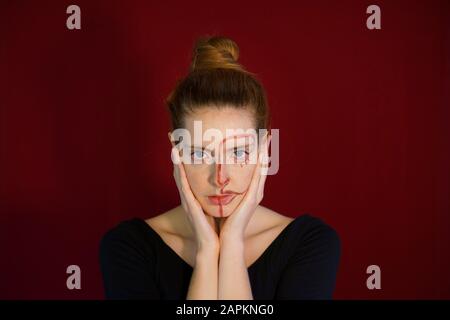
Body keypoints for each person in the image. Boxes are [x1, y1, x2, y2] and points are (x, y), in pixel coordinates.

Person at [99, 35, 341, 300]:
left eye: (238, 152)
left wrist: (232, 244)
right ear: (177, 152)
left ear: (264, 149)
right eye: (200, 154)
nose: (220, 177)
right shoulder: (129, 248)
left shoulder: (310, 244)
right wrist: (206, 251)